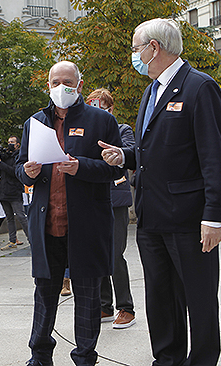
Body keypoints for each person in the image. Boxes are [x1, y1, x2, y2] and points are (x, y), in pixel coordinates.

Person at [100, 18, 221, 366]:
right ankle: (167, 358)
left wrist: (214, 216)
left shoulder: (199, 87)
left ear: (153, 47)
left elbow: (214, 156)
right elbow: (153, 150)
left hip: (188, 218)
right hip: (152, 216)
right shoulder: (151, 90)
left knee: (198, 298)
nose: (134, 55)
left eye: (135, 48)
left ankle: (202, 360)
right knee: (160, 296)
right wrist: (124, 155)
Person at [15, 60, 123, 366]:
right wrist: (27, 171)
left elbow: (113, 168)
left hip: (86, 225)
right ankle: (39, 355)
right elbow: (19, 168)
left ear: (80, 84)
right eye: (55, 82)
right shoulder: (35, 122)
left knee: (88, 297)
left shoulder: (101, 121)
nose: (61, 88)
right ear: (47, 85)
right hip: (47, 223)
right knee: (44, 294)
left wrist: (81, 166)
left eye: (68, 82)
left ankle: (85, 357)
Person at [86, 88, 137, 329]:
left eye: (102, 107)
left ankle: (126, 307)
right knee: (98, 254)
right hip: (93, 199)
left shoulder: (122, 129)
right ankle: (105, 305)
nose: (97, 112)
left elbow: (128, 152)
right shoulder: (85, 131)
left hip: (115, 199)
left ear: (110, 109)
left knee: (115, 253)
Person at [0, 136, 30, 250]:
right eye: (8, 142)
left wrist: (0, 163)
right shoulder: (5, 156)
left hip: (14, 190)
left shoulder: (19, 156)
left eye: (12, 142)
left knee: (21, 216)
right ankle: (12, 240)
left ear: (18, 144)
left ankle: (32, 239)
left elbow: (14, 172)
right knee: (9, 217)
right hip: (3, 191)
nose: (9, 144)